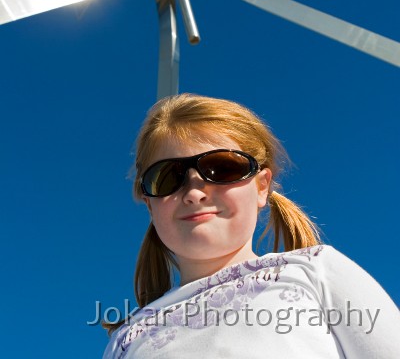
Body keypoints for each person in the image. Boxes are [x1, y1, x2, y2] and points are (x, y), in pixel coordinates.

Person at [103, 94, 399, 358]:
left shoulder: (316, 273)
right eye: (167, 176)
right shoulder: (128, 338)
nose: (194, 192)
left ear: (261, 187)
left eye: (223, 168)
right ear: (150, 203)